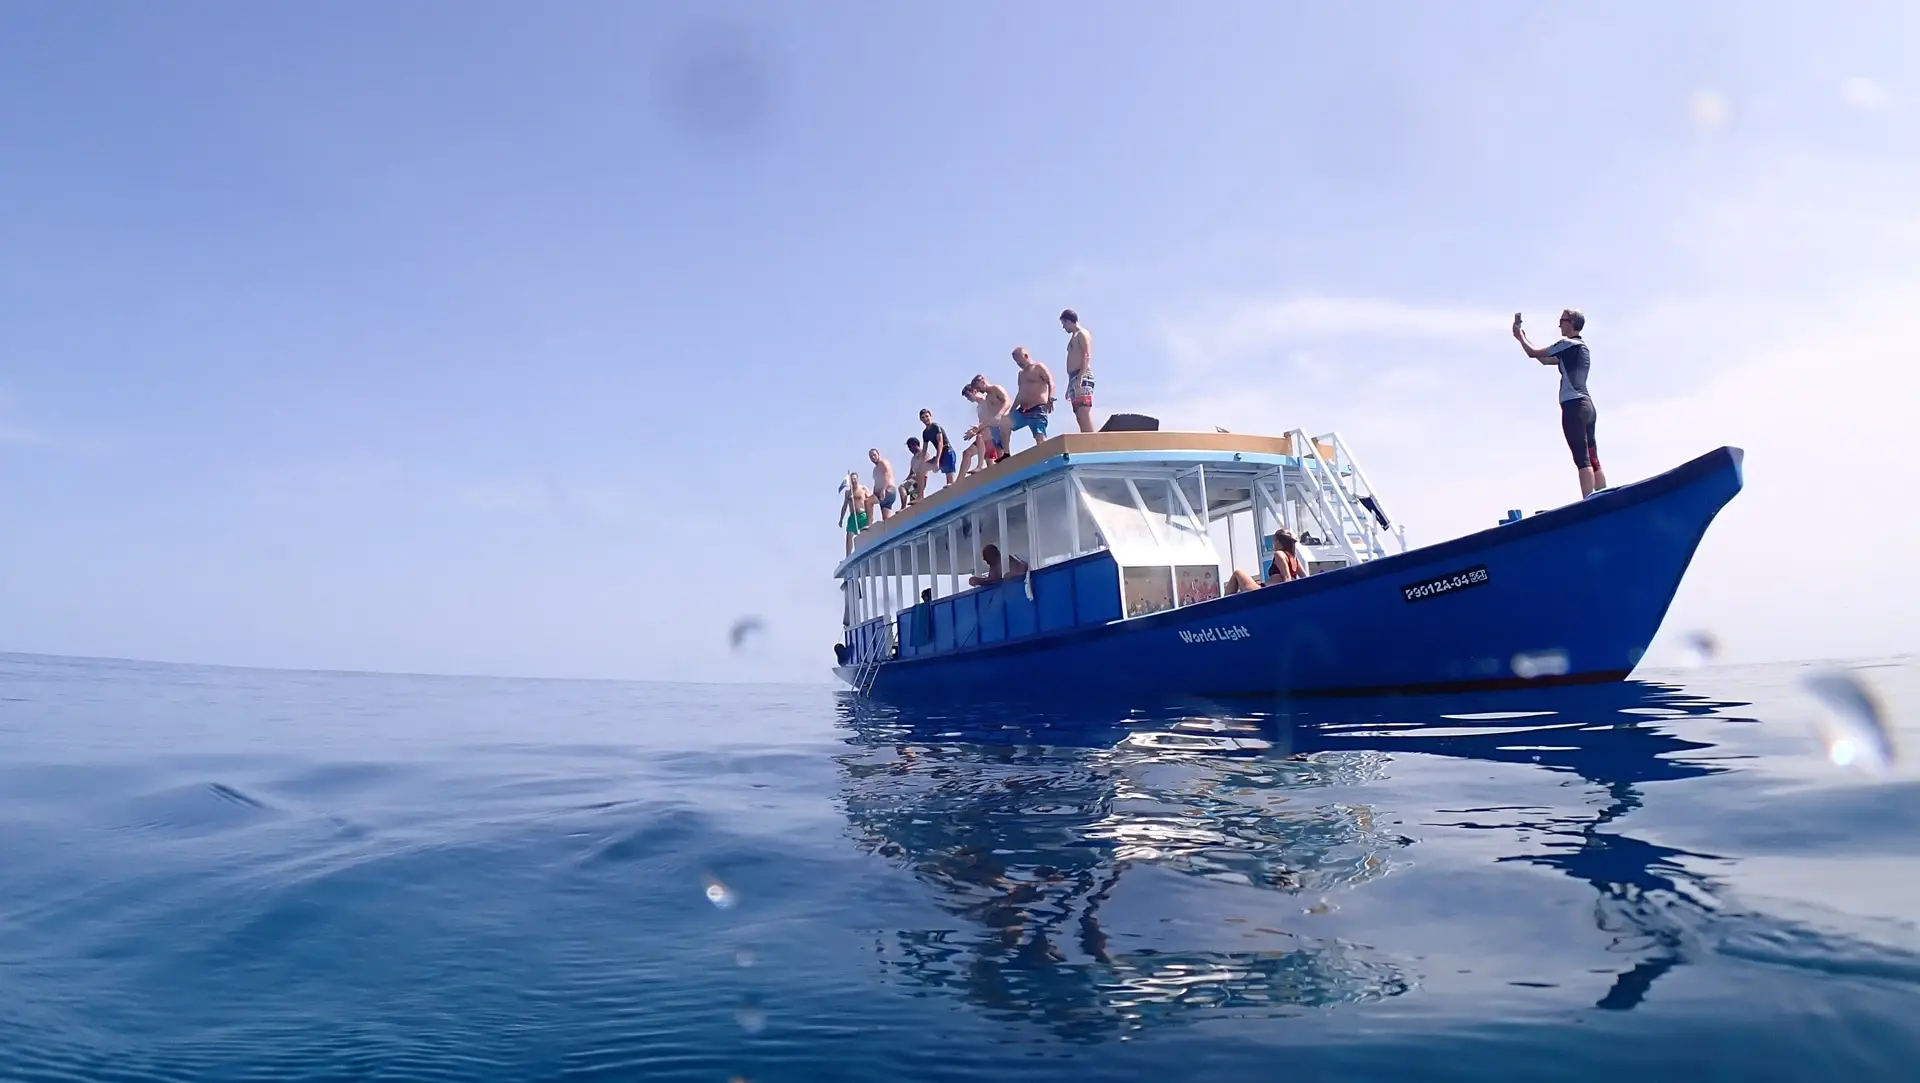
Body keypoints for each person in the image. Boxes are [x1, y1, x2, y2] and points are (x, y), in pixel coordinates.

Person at [1513, 308, 1610, 499]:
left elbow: (1533, 353)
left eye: (1562, 321)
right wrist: (1522, 338)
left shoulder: (1566, 344)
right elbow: (1543, 360)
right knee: (1593, 456)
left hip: (1573, 406)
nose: (1559, 325)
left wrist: (1520, 337)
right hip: (1587, 406)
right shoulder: (1580, 347)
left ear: (1571, 322)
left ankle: (1589, 502)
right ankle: (1604, 496)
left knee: (1582, 459)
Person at [1225, 528, 1307, 594]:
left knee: (1237, 572)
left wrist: (1286, 596)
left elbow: (1287, 577)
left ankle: (1223, 604)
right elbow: (1305, 577)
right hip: (1268, 590)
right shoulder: (1294, 559)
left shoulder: (1279, 554)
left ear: (1277, 542)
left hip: (1263, 591)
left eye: (1273, 541)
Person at [1007, 345, 1054, 448]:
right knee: (1004, 424)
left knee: (1039, 436)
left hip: (1037, 408)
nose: (1018, 364)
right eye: (1016, 362)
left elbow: (1050, 382)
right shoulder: (1021, 374)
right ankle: (1005, 453)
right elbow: (1020, 393)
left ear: (1026, 356)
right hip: (1023, 410)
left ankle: (1045, 453)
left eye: (1019, 360)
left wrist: (1050, 399)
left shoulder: (1038, 367)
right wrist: (1011, 411)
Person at [1060, 308, 1095, 433]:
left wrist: (1081, 376)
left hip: (1082, 374)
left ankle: (1093, 441)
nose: (1064, 327)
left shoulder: (1082, 333)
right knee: (1078, 414)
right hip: (1073, 377)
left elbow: (1086, 354)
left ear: (1068, 321)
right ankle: (1086, 439)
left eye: (1064, 323)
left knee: (1083, 412)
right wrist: (1070, 384)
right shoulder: (1073, 337)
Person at [919, 408, 957, 489]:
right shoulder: (925, 433)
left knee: (950, 483)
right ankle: (920, 493)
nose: (925, 419)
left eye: (927, 416)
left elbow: (940, 443)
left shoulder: (936, 427)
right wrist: (920, 462)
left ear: (931, 416)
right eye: (923, 417)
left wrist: (936, 461)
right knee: (922, 468)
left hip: (948, 452)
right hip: (940, 455)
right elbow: (924, 450)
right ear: (921, 420)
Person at [838, 472, 869, 554]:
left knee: (864, 534)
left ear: (857, 479)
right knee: (849, 535)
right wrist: (841, 519)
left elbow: (869, 501)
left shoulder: (863, 489)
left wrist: (870, 516)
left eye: (855, 479)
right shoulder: (848, 492)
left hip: (862, 514)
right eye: (852, 479)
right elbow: (844, 506)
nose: (854, 480)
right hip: (852, 516)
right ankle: (848, 555)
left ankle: (865, 550)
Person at [868, 447, 899, 520]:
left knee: (868, 501)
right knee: (886, 518)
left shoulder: (883, 463)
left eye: (874, 455)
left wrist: (883, 490)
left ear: (878, 455)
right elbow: (876, 483)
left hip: (888, 490)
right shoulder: (875, 470)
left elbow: (887, 476)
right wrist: (874, 493)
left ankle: (869, 523)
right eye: (871, 456)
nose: (873, 457)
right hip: (880, 493)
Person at [902, 436, 927, 506]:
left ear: (915, 445)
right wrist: (906, 479)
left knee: (914, 495)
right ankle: (908, 506)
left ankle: (907, 506)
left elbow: (924, 470)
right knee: (906, 490)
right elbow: (911, 472)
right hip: (914, 481)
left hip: (921, 480)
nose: (909, 449)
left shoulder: (923, 454)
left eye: (910, 447)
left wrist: (917, 477)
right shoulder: (913, 458)